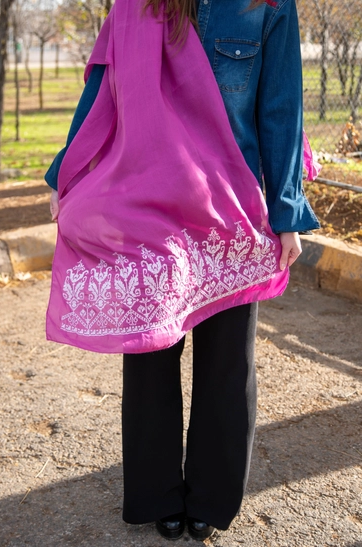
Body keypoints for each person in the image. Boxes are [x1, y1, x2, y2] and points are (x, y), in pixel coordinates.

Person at [45, 0, 319, 541]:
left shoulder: (266, 7)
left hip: (232, 214)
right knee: (149, 356)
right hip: (150, 210)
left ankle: (212, 502)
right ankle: (157, 495)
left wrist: (287, 212)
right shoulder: (136, 6)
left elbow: (281, 108)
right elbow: (102, 90)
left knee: (226, 364)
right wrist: (65, 174)